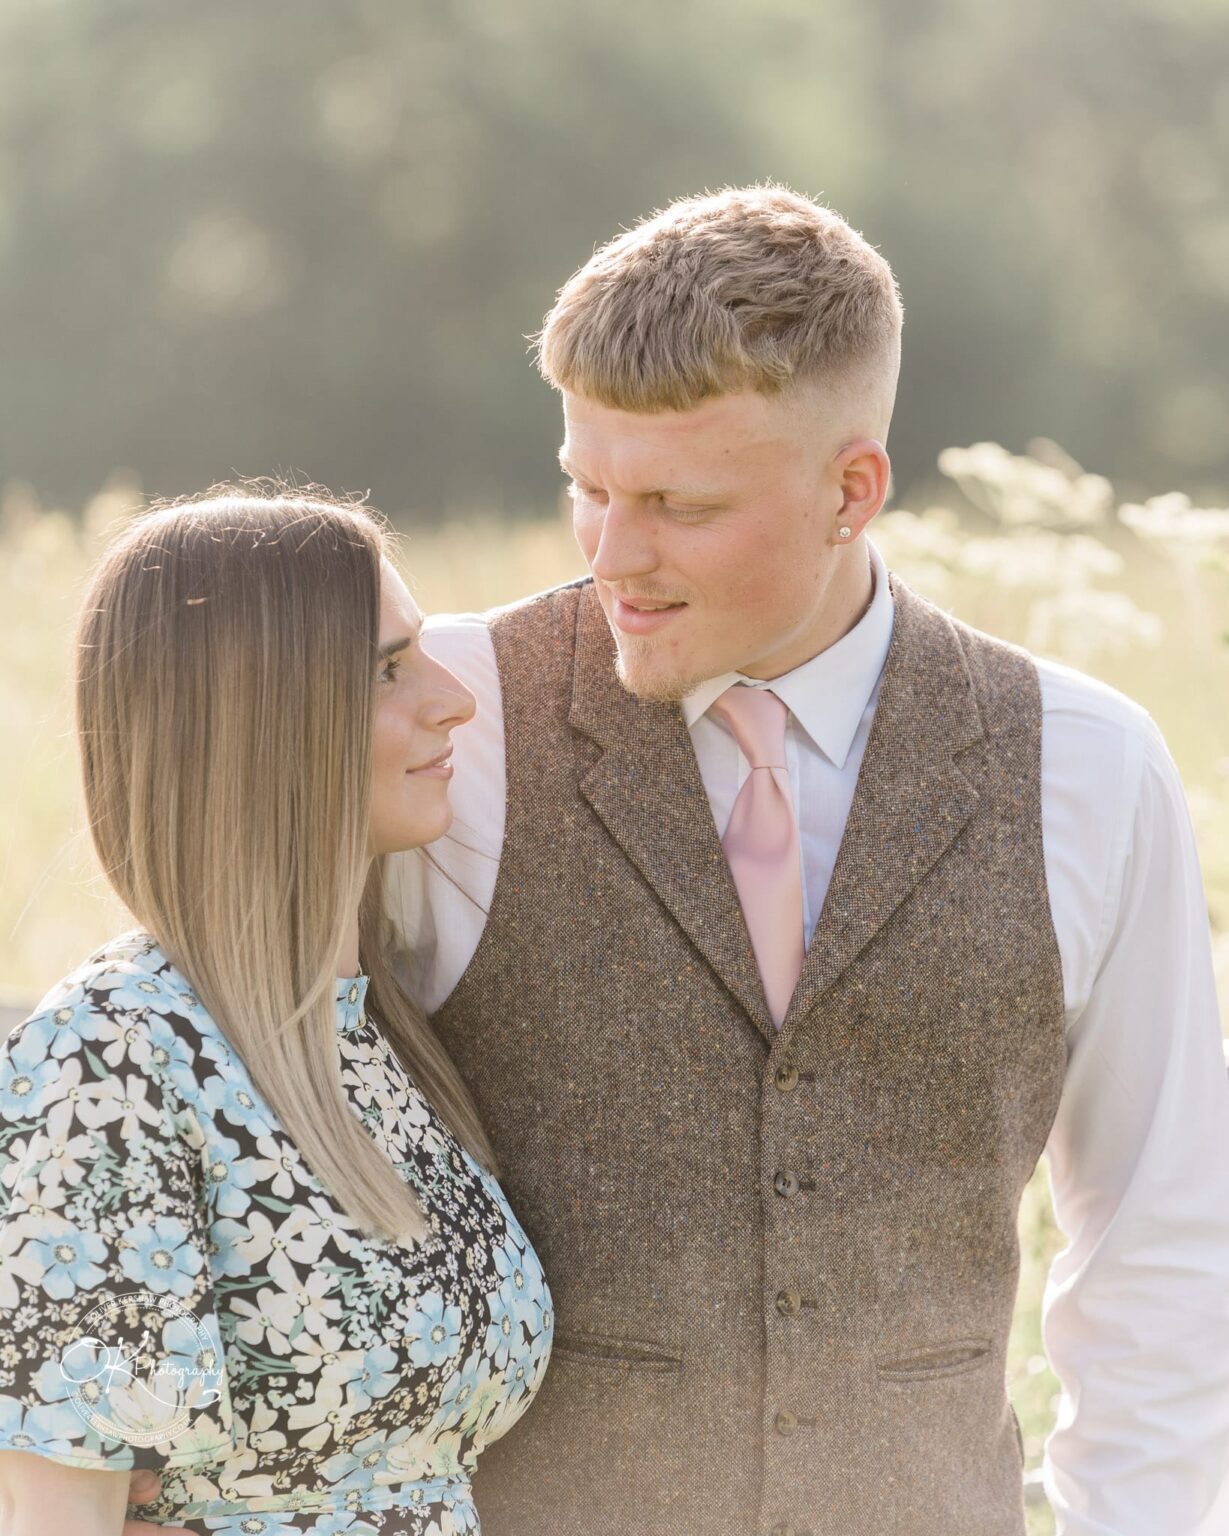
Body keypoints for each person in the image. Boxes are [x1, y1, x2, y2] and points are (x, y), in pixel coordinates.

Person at [383, 185, 1229, 1533]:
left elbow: (1164, 1243)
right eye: (584, 489)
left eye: (675, 502)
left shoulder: (1087, 765)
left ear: (854, 490)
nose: (612, 555)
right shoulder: (443, 722)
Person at [0, 488, 554, 1536]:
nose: (453, 702)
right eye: (387, 670)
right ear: (260, 718)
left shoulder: (378, 1040)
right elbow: (53, 1515)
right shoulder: (114, 1060)